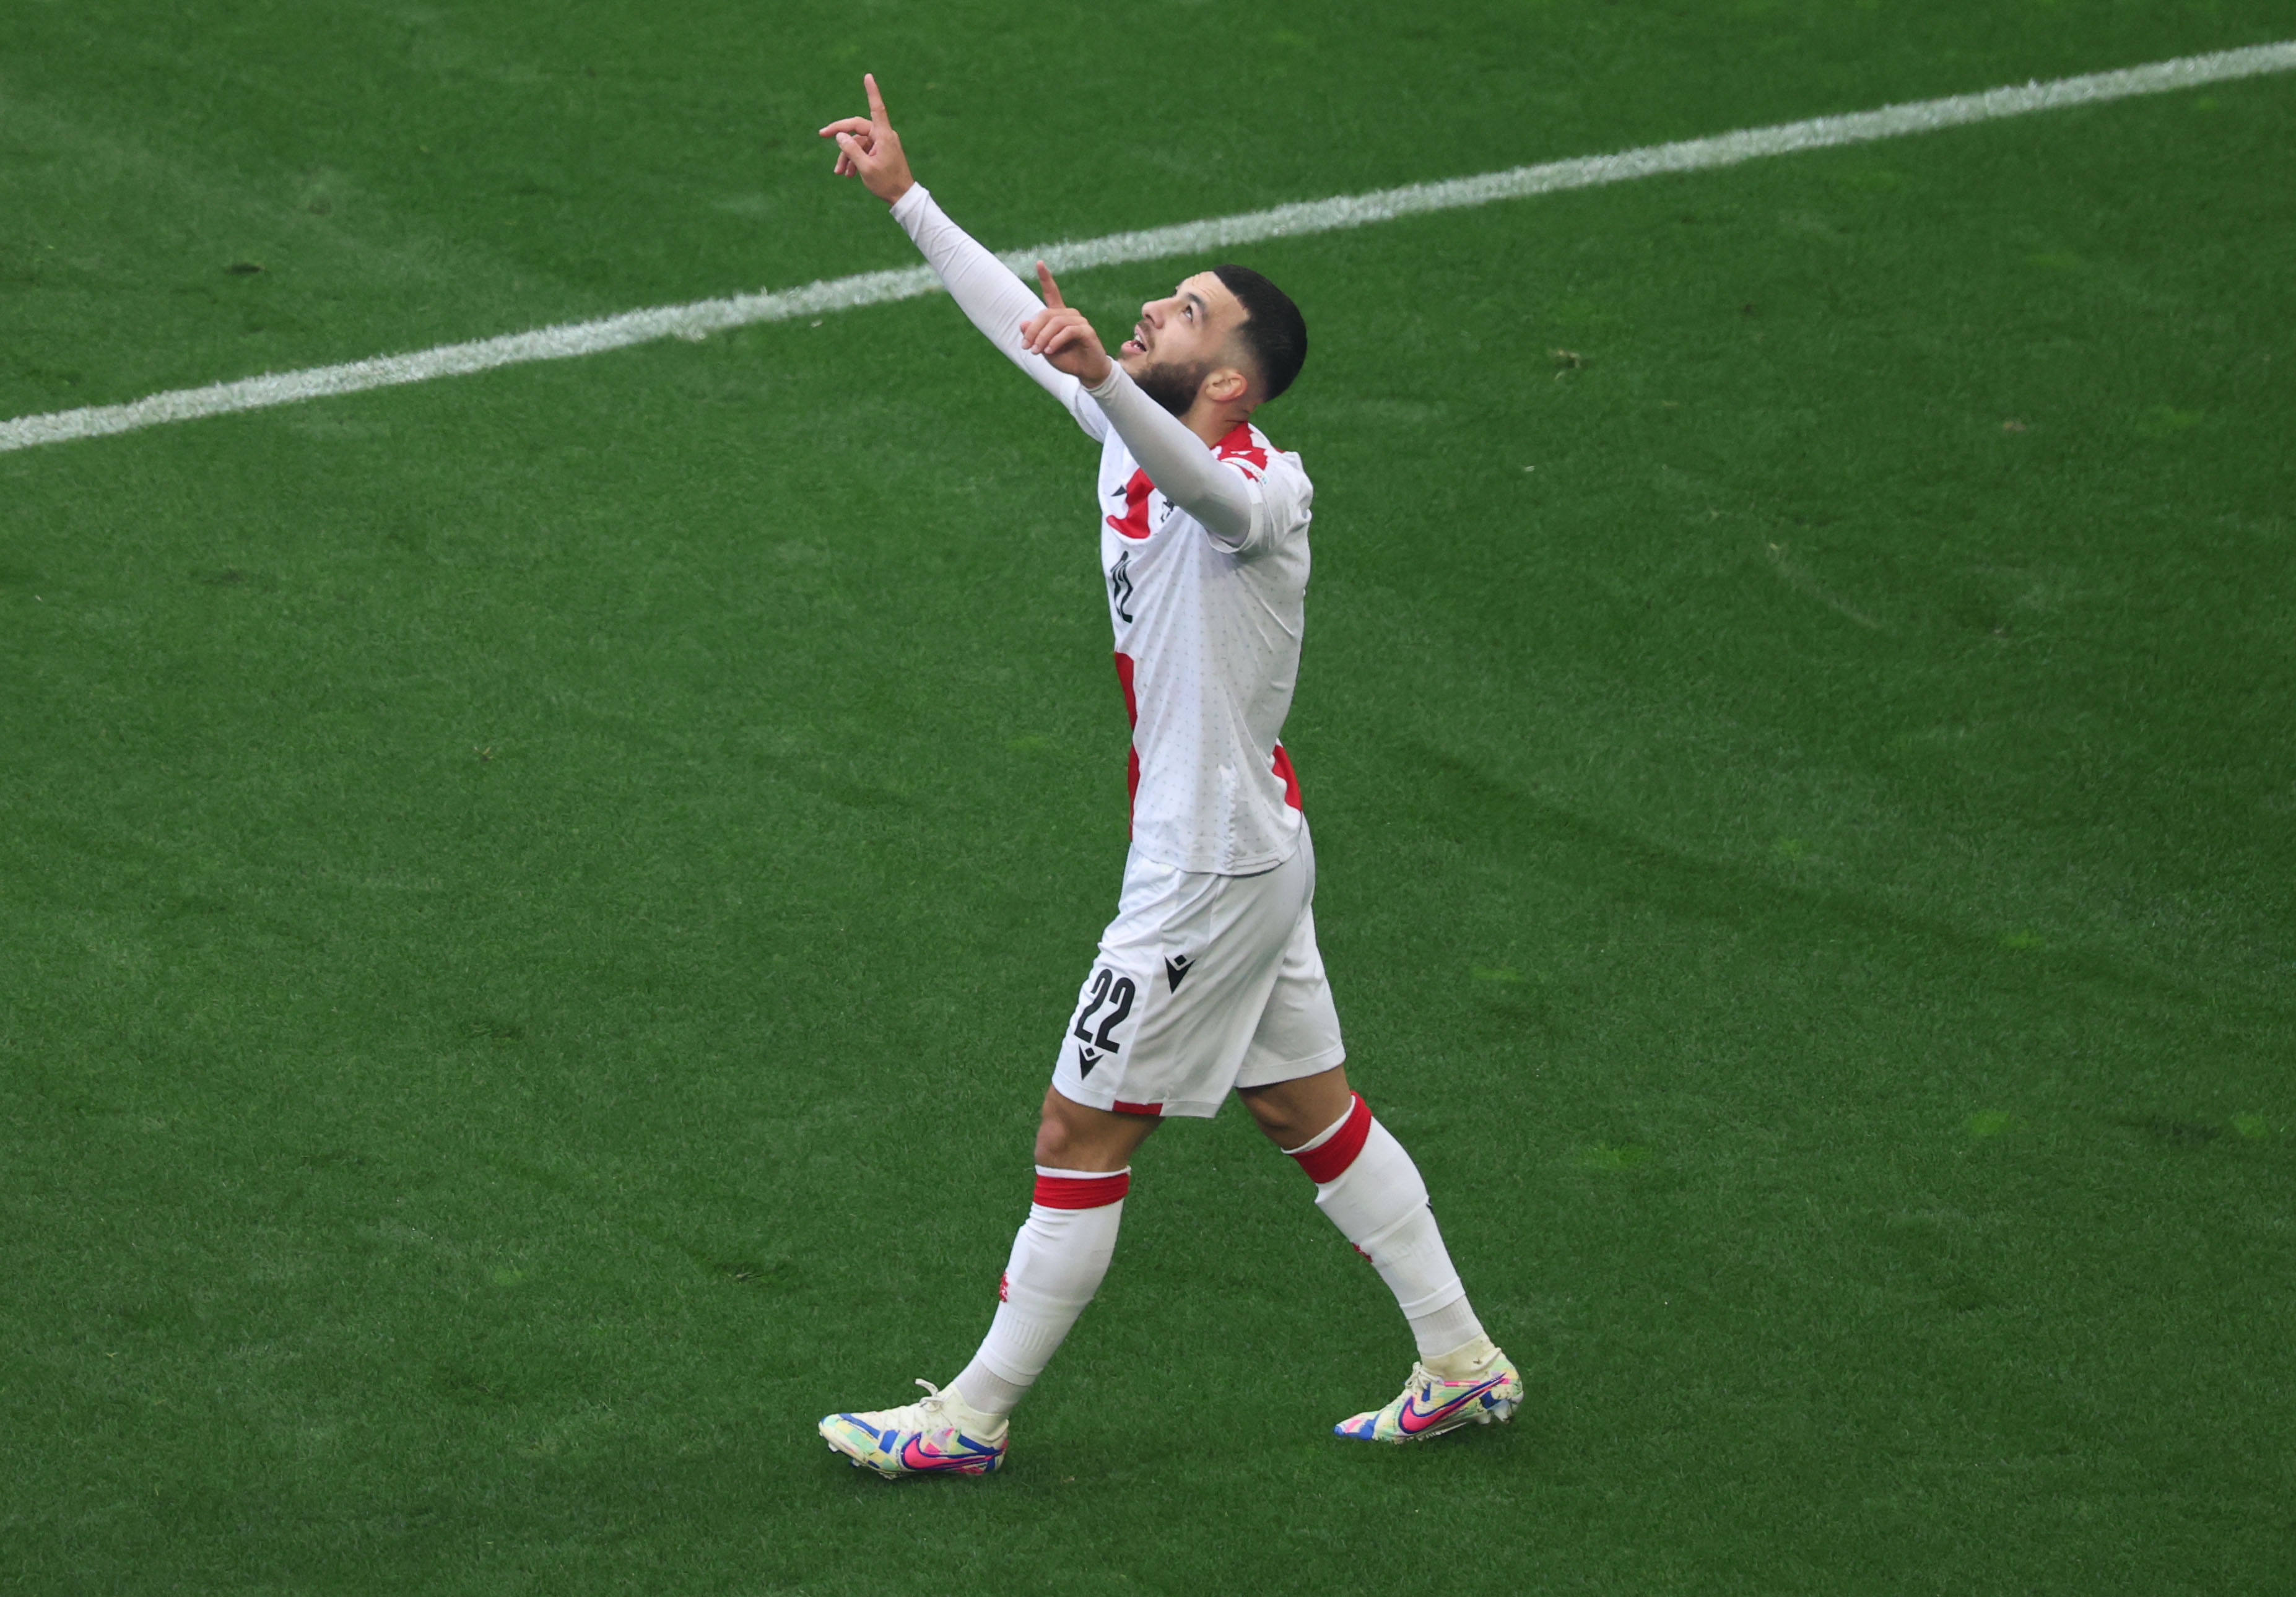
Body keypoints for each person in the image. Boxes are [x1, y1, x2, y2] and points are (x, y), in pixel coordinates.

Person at [812, 76, 1518, 1477]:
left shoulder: (1268, 490)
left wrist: (1111, 384)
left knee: (1080, 1126)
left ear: (1234, 379)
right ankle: (1463, 1358)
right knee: (1303, 1104)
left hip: (1208, 870)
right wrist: (908, 199)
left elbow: (1210, 494)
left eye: (1187, 314)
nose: (1153, 313)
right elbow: (1033, 339)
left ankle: (970, 1417)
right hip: (1244, 849)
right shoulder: (1127, 434)